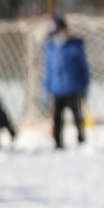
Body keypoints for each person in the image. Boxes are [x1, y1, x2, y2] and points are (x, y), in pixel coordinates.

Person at [42, 15, 90, 149]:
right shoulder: (50, 48)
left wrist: (84, 86)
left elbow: (83, 68)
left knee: (78, 117)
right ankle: (57, 143)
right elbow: (48, 71)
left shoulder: (74, 47)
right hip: (56, 90)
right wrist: (46, 89)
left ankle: (81, 139)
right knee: (57, 119)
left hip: (73, 89)